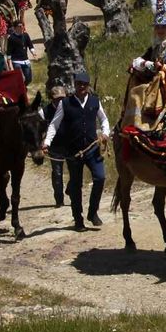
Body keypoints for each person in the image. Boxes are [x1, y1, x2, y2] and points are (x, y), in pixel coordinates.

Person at [42, 69, 111, 230]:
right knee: (75, 185)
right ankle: (77, 218)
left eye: (84, 84)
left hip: (92, 148)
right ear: (74, 85)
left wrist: (106, 133)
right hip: (73, 151)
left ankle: (92, 212)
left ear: (88, 86)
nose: (81, 87)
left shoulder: (95, 101)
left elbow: (104, 119)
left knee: (100, 177)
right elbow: (54, 124)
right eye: (79, 84)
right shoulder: (65, 103)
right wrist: (47, 142)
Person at [6, 19, 36, 85]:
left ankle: (24, 87)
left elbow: (30, 45)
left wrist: (33, 52)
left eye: (22, 26)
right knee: (20, 78)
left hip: (26, 60)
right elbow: (9, 51)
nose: (22, 27)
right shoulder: (11, 38)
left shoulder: (26, 35)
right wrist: (9, 63)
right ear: (15, 28)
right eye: (19, 26)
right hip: (16, 62)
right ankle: (21, 89)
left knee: (29, 79)